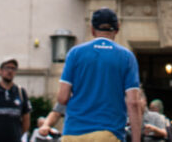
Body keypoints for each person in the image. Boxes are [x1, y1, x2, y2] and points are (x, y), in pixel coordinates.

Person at [56, 8, 144, 142]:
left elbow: (62, 98)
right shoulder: (126, 57)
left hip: (73, 133)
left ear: (92, 29)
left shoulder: (75, 53)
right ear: (117, 28)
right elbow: (133, 102)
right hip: (108, 133)